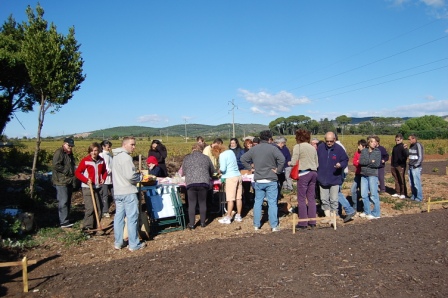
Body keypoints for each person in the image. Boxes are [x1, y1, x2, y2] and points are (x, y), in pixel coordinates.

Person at [240, 130, 285, 232]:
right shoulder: (273, 148)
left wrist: (250, 168)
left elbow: (243, 158)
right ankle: (274, 225)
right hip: (271, 179)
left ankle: (256, 225)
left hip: (259, 179)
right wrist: (278, 170)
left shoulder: (254, 149)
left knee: (257, 202)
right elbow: (282, 160)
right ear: (269, 139)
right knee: (272, 203)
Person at [112, 137, 145, 251]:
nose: (134, 147)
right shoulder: (126, 158)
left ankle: (118, 242)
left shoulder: (115, 157)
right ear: (125, 144)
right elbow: (130, 176)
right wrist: (139, 177)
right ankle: (134, 244)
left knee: (119, 217)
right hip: (127, 191)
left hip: (118, 191)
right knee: (132, 218)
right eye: (132, 144)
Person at [316, 132, 349, 223]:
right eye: (327, 141)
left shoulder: (339, 149)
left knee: (334, 200)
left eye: (331, 141)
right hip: (322, 178)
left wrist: (341, 164)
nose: (329, 143)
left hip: (335, 178)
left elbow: (345, 159)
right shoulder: (320, 148)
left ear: (334, 139)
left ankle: (333, 218)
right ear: (325, 140)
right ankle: (328, 217)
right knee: (324, 199)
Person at [75, 142, 107, 232]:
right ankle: (87, 227)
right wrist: (85, 180)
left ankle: (96, 226)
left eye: (96, 150)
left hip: (98, 187)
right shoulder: (85, 160)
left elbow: (105, 171)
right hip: (87, 187)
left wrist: (103, 178)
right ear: (89, 151)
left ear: (99, 151)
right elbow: (77, 172)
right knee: (90, 208)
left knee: (99, 208)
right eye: (92, 151)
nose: (94, 152)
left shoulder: (101, 160)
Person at [182, 143, 215, 229]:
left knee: (192, 204)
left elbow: (183, 172)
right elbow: (212, 170)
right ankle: (203, 222)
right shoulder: (206, 158)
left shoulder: (187, 158)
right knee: (202, 202)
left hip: (191, 183)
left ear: (192, 149)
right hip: (203, 182)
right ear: (201, 149)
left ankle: (192, 224)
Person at [290, 129, 318, 230]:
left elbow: (293, 162)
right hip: (314, 173)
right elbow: (317, 163)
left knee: (301, 198)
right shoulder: (312, 147)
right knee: (311, 198)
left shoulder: (298, 147)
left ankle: (303, 222)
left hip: (304, 173)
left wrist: (290, 163)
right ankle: (312, 221)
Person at [52, 138, 76, 228]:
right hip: (61, 181)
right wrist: (66, 171)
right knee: (63, 201)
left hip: (68, 180)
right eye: (69, 145)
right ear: (64, 144)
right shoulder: (59, 152)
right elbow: (56, 165)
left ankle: (66, 219)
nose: (70, 147)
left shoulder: (69, 153)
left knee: (68, 201)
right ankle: (63, 222)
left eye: (71, 146)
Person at [217, 145, 243, 224]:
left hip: (230, 177)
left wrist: (219, 171)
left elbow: (223, 168)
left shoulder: (222, 155)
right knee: (239, 198)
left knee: (230, 199)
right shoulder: (231, 152)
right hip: (238, 175)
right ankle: (238, 215)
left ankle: (228, 217)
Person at [359, 137, 381, 220]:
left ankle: (376, 213)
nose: (374, 143)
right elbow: (361, 162)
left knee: (373, 194)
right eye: (372, 142)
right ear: (368, 143)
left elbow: (376, 164)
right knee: (364, 194)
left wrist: (367, 162)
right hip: (364, 174)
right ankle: (367, 211)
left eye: (375, 142)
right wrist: (370, 161)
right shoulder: (364, 151)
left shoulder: (377, 152)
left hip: (372, 175)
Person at [351, 139, 367, 212]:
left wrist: (359, 162)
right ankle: (355, 206)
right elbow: (354, 162)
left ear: (363, 146)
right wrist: (359, 163)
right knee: (353, 190)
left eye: (359, 145)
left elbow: (365, 163)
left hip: (364, 175)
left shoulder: (367, 153)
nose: (358, 147)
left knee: (363, 191)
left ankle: (363, 206)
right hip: (357, 174)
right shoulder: (357, 153)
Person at [406, 134, 424, 202]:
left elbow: (421, 156)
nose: (409, 141)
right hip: (410, 166)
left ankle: (419, 197)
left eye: (409, 139)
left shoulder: (418, 145)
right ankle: (414, 195)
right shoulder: (411, 146)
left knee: (417, 183)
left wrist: (416, 165)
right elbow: (409, 155)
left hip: (415, 167)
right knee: (412, 183)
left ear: (414, 139)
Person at [391, 134, 408, 199]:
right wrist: (392, 165)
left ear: (401, 140)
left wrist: (402, 164)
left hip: (400, 166)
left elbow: (406, 155)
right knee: (396, 179)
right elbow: (393, 156)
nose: (396, 141)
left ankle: (403, 193)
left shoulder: (403, 147)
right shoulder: (395, 147)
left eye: (398, 140)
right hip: (394, 165)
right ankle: (397, 192)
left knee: (401, 179)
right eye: (396, 140)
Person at [99, 140, 113, 218]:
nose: (109, 148)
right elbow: (104, 167)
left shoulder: (110, 155)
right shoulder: (101, 155)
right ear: (103, 147)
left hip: (111, 178)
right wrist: (109, 170)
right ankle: (105, 211)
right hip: (104, 178)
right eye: (108, 147)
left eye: (110, 146)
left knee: (114, 194)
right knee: (105, 195)